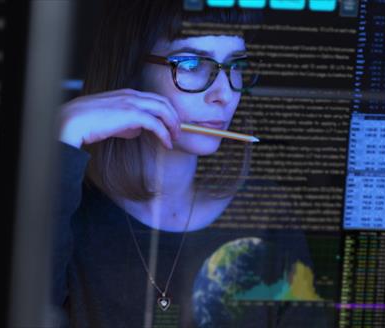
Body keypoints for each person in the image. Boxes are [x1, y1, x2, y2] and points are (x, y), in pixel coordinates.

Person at [53, 0, 327, 327]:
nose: (223, 94)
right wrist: (63, 134)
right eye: (192, 63)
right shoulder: (67, 209)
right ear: (130, 70)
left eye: (236, 65)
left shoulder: (267, 210)